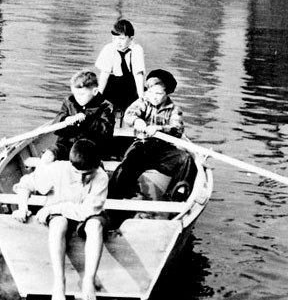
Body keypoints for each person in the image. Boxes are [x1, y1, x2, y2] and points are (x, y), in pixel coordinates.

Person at [13, 137, 109, 300]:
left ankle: (88, 280)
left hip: (87, 216)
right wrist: (22, 207)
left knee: (95, 226)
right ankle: (59, 283)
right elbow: (25, 184)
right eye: (80, 175)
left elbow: (86, 211)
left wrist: (52, 208)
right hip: (61, 217)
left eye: (89, 174)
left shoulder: (101, 177)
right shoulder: (57, 169)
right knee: (58, 225)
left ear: (97, 166)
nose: (84, 179)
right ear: (71, 166)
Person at [108, 68, 195, 202]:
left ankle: (174, 198)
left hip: (163, 150)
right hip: (142, 146)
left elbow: (177, 129)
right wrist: (137, 120)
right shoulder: (143, 102)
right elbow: (129, 114)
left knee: (186, 160)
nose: (154, 96)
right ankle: (116, 196)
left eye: (159, 93)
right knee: (126, 165)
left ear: (167, 94)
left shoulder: (174, 110)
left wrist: (159, 129)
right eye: (151, 92)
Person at [37, 69, 114, 166]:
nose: (78, 97)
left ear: (94, 91)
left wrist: (85, 120)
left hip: (91, 147)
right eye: (75, 94)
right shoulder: (69, 102)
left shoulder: (105, 107)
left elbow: (105, 131)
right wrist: (65, 119)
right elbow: (56, 126)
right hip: (67, 145)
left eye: (81, 94)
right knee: (48, 156)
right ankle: (39, 178)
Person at [95, 19, 146, 122]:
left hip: (131, 85)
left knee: (137, 106)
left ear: (131, 38)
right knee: (102, 105)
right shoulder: (109, 48)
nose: (117, 42)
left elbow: (138, 75)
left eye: (121, 39)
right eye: (114, 38)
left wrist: (141, 98)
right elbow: (104, 74)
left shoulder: (136, 49)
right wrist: (99, 95)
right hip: (112, 84)